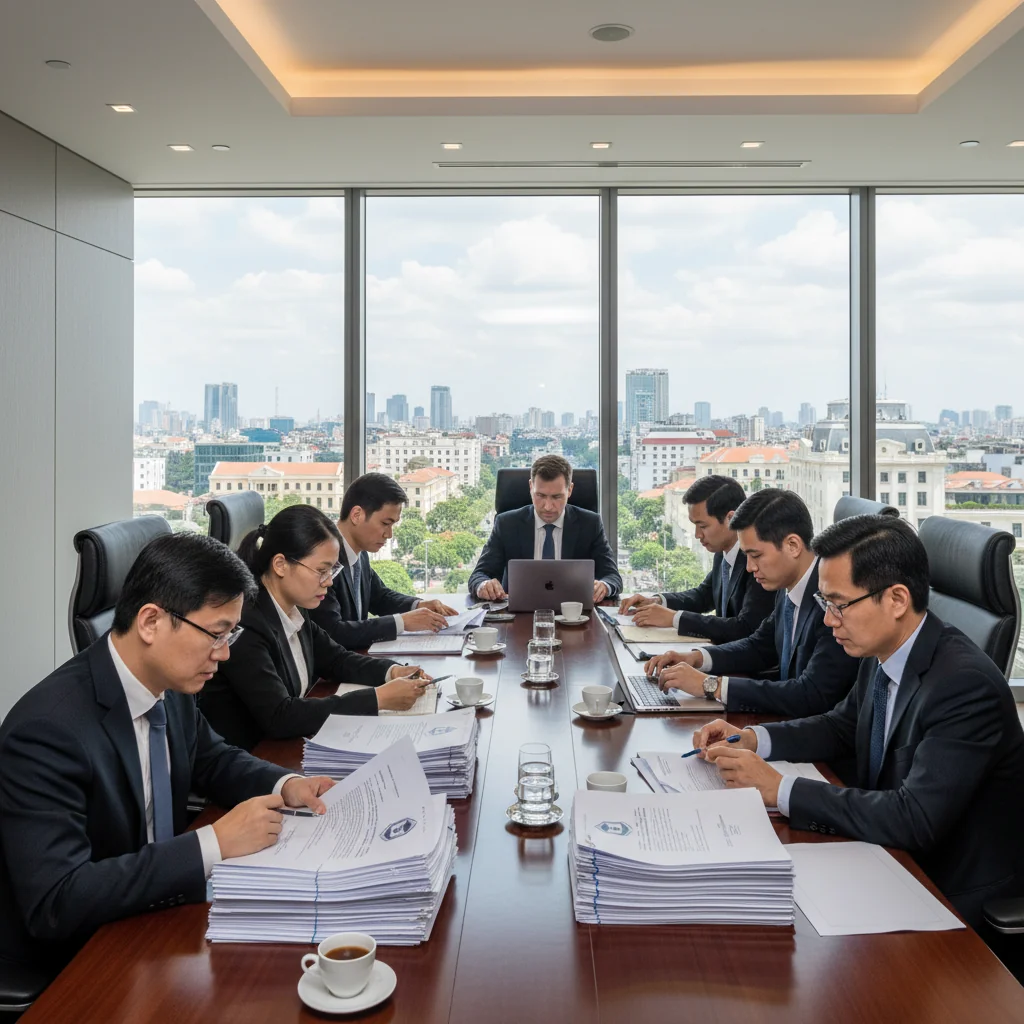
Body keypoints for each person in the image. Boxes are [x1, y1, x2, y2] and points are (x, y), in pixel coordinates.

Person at [0, 533, 339, 982]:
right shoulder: (47, 730)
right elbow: (57, 900)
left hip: (155, 913)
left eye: (231, 633)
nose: (225, 653)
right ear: (150, 622)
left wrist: (286, 784)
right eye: (217, 633)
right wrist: (214, 843)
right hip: (81, 956)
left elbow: (212, 758)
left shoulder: (170, 682)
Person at [692, 514, 1024, 928]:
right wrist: (753, 738)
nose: (829, 620)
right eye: (824, 603)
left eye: (840, 605)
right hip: (884, 857)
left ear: (897, 599)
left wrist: (780, 788)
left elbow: (915, 818)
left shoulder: (964, 686)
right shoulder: (884, 648)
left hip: (947, 892)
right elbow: (841, 726)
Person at [199, 505, 431, 750]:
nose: (329, 581)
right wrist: (378, 698)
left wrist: (392, 672)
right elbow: (280, 716)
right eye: (321, 571)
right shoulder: (247, 623)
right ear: (280, 564)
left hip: (284, 747)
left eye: (332, 570)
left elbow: (336, 660)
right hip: (253, 755)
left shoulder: (294, 608)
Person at [645, 488, 859, 717]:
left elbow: (811, 694)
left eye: (756, 556)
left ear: (793, 545)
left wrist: (712, 686)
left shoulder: (832, 603)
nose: (749, 567)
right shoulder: (788, 586)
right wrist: (696, 658)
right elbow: (760, 646)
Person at [617, 475, 774, 641]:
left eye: (703, 526)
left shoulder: (757, 562)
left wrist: (674, 618)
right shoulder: (723, 551)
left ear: (730, 519)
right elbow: (704, 596)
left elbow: (745, 628)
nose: (697, 535)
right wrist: (657, 601)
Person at [310, 472, 457, 648]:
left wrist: (418, 605)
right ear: (356, 515)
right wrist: (401, 622)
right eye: (385, 523)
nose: (389, 534)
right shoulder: (323, 561)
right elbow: (333, 632)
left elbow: (379, 596)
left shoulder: (359, 552)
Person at [469, 454, 622, 604]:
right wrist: (483, 585)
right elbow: (479, 575)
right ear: (531, 487)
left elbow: (612, 577)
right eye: (540, 496)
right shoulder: (506, 524)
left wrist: (604, 586)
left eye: (557, 497)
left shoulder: (590, 524)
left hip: (574, 613)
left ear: (569, 490)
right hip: (518, 613)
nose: (548, 506)